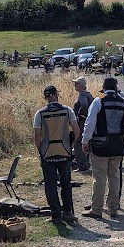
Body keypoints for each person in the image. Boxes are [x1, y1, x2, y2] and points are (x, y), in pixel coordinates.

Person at [81, 77, 124, 219]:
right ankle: (113, 207)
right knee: (114, 176)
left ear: (104, 87)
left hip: (99, 146)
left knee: (99, 177)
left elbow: (90, 123)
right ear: (116, 87)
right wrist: (123, 140)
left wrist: (85, 141)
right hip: (117, 145)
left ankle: (96, 209)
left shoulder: (98, 101)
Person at [33, 85, 80, 223]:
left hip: (48, 153)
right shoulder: (67, 110)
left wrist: (41, 150)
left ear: (45, 97)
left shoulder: (39, 113)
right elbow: (77, 131)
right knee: (66, 183)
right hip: (64, 151)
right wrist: (71, 145)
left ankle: (55, 215)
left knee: (50, 185)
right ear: (56, 95)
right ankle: (68, 212)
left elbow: (36, 136)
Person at [71, 77, 94, 173]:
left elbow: (84, 105)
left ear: (82, 85)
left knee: (78, 143)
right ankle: (87, 163)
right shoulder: (89, 94)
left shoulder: (82, 95)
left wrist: (80, 116)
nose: (75, 85)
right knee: (87, 142)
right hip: (89, 121)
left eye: (76, 84)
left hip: (82, 122)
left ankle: (82, 165)